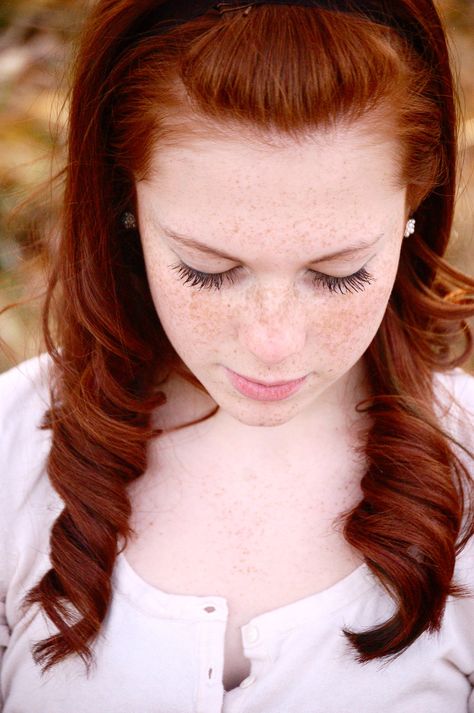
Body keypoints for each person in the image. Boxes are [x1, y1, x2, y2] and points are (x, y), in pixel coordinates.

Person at [1, 0, 474, 710]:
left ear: (415, 206)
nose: (272, 341)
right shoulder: (10, 451)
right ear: (124, 202)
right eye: (206, 270)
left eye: (338, 272)